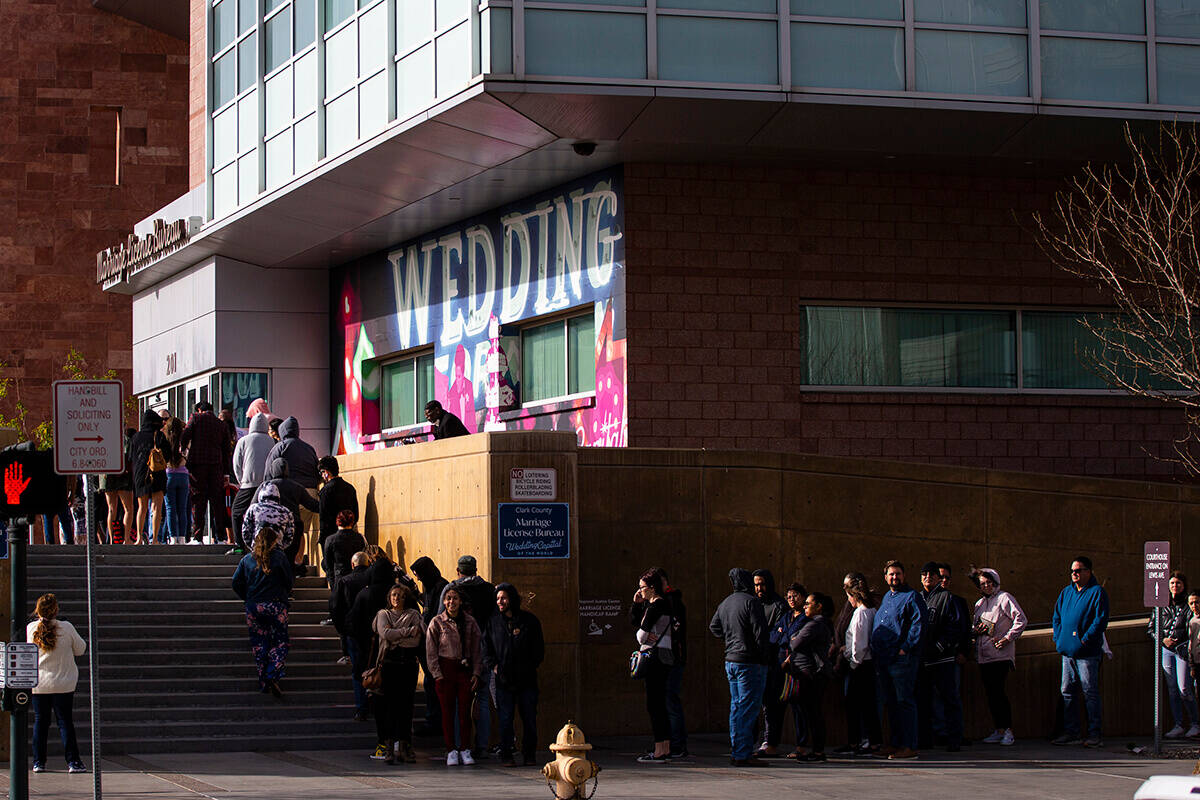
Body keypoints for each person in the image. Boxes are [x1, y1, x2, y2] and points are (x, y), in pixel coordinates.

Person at [709, 568, 769, 767]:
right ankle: (743, 753)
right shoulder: (752, 602)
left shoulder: (725, 603)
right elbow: (761, 634)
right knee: (747, 708)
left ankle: (737, 750)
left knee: (736, 707)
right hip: (750, 661)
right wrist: (763, 657)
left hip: (731, 660)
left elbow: (714, 627)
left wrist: (730, 639)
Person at [482, 582, 545, 767]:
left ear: (512, 599)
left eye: (503, 598)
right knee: (505, 719)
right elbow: (486, 649)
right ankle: (507, 754)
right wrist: (494, 667)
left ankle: (529, 753)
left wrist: (529, 666)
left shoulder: (529, 621)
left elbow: (538, 649)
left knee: (529, 719)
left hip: (526, 680)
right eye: (498, 599)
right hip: (503, 680)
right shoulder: (493, 623)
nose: (500, 602)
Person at [629, 567, 689, 759]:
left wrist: (645, 635)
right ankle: (664, 747)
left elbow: (641, 635)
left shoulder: (656, 606)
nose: (640, 591)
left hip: (654, 659)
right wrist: (637, 605)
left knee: (655, 705)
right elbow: (639, 625)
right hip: (663, 657)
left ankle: (660, 749)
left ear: (652, 587)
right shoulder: (660, 605)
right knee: (659, 704)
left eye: (642, 587)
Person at [1051, 555, 1110, 747]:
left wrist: (1085, 639)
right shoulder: (1066, 593)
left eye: (1078, 570)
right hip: (1067, 651)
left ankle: (1094, 734)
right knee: (1067, 691)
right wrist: (1059, 639)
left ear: (1088, 571)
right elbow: (1057, 617)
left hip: (1087, 653)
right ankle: (1072, 732)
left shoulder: (1097, 592)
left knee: (1089, 692)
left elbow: (1100, 620)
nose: (1074, 574)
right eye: (1072, 571)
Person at [441, 554, 496, 756]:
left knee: (457, 701)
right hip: (483, 650)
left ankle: (458, 745)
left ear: (458, 570)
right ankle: (482, 745)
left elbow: (441, 618)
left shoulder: (452, 590)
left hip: (458, 653)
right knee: (482, 699)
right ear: (476, 570)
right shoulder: (490, 589)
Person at [870, 560, 925, 760]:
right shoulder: (887, 597)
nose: (895, 577)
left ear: (904, 575)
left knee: (904, 702)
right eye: (891, 574)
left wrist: (905, 649)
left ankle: (909, 746)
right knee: (890, 703)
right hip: (883, 659)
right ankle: (894, 743)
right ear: (885, 577)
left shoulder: (912, 597)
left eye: (898, 574)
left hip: (901, 659)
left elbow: (918, 626)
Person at [28, 593, 87, 774]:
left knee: (41, 722)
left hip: (40, 684)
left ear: (37, 610)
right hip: (64, 683)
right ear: (56, 609)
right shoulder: (66, 627)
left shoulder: (31, 628)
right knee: (65, 722)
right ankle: (73, 762)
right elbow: (80, 649)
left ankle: (39, 762)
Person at [969, 567, 1027, 746]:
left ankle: (1008, 729)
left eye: (989, 583)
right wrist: (975, 631)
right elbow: (975, 626)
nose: (986, 586)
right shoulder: (979, 603)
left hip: (1000, 655)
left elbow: (1021, 619)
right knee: (991, 694)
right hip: (984, 655)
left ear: (995, 582)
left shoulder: (1004, 598)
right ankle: (999, 729)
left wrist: (1007, 638)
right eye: (982, 584)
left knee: (999, 692)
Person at [232, 527, 293, 697]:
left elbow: (236, 582)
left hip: (254, 606)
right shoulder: (280, 557)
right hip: (275, 604)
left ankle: (263, 680)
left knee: (259, 644)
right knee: (281, 641)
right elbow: (289, 580)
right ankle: (273, 672)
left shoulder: (247, 559)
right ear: (274, 541)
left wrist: (247, 597)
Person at [426, 586, 483, 766]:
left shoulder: (470, 622)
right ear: (444, 601)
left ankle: (465, 748)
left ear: (460, 601)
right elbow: (431, 650)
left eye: (455, 598)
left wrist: (476, 672)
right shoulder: (437, 622)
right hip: (445, 669)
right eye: (449, 599)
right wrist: (437, 674)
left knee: (465, 711)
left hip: (464, 669)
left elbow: (477, 648)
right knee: (447, 712)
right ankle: (451, 749)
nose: (452, 602)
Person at [371, 585, 425, 765]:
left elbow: (416, 639)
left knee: (406, 706)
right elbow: (385, 633)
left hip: (408, 665)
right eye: (394, 595)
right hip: (389, 665)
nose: (397, 598)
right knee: (389, 706)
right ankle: (388, 746)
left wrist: (396, 636)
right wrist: (407, 632)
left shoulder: (413, 615)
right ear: (389, 597)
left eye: (401, 596)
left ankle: (404, 746)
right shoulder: (383, 614)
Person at [917, 561, 965, 752]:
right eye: (924, 574)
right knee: (923, 701)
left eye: (932, 574)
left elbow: (956, 627)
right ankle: (925, 739)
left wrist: (940, 646)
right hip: (923, 660)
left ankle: (955, 739)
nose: (928, 577)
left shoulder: (948, 598)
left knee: (950, 699)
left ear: (938, 578)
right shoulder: (917, 598)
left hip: (943, 659)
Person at [784, 592, 833, 762]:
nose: (804, 606)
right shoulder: (818, 624)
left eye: (808, 603)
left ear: (818, 606)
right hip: (814, 673)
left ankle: (818, 751)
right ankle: (817, 750)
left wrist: (793, 637)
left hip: (813, 673)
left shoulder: (815, 625)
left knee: (813, 712)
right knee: (812, 712)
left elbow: (794, 643)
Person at [1150, 571, 1200, 739]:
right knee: (1172, 689)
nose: (1174, 586)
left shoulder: (1188, 605)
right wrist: (1162, 639)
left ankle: (1195, 723)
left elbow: (1191, 629)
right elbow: (1151, 628)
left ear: (1184, 585)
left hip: (1182, 650)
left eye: (1178, 583)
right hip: (1166, 650)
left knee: (1184, 688)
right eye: (1172, 583)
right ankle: (1178, 724)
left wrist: (1181, 643)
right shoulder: (1162, 604)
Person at [266, 416, 320, 565]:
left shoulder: (279, 447)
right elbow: (317, 470)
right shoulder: (309, 448)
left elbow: (269, 472)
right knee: (301, 530)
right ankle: (299, 559)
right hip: (310, 492)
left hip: (288, 493)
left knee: (286, 529)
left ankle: (286, 561)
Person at [181, 401, 233, 544]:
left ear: (199, 409)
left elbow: (185, 434)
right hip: (216, 466)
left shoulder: (196, 418)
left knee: (198, 501)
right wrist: (226, 473)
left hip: (198, 466)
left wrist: (183, 449)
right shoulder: (221, 424)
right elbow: (226, 449)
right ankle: (220, 537)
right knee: (217, 502)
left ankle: (198, 537)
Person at [256, 458, 319, 571]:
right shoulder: (296, 486)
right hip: (293, 528)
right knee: (289, 559)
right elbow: (312, 505)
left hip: (269, 529)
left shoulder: (265, 486)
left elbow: (253, 505)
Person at [842, 576, 881, 755]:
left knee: (858, 706)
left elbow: (859, 643)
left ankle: (862, 742)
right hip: (867, 664)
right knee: (868, 705)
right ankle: (869, 741)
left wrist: (852, 660)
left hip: (860, 665)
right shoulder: (871, 611)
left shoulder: (861, 613)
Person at [411, 555, 449, 736]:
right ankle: (433, 719)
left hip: (435, 643)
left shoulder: (441, 587)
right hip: (426, 641)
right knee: (429, 683)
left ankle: (435, 720)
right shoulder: (429, 586)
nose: (418, 578)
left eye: (419, 574)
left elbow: (436, 613)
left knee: (433, 683)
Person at [770, 582, 809, 759]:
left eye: (795, 596)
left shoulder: (806, 618)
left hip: (796, 668)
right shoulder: (786, 617)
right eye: (789, 596)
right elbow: (776, 637)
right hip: (780, 666)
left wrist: (789, 653)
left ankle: (801, 745)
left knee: (799, 707)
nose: (792, 599)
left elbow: (797, 641)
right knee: (776, 706)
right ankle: (772, 743)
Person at [752, 569, 787, 757]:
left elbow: (777, 634)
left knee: (771, 705)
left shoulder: (778, 605)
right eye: (756, 584)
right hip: (756, 660)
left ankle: (770, 741)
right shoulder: (753, 603)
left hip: (773, 661)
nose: (759, 588)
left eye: (762, 584)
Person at [231, 410, 275, 554]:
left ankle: (239, 544)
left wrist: (241, 481)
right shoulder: (271, 440)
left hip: (248, 484)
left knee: (237, 512)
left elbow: (236, 463)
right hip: (266, 485)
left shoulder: (244, 440)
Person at [127, 409, 168, 545]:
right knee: (156, 507)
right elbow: (167, 456)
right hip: (157, 474)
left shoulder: (136, 437)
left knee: (142, 507)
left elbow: (130, 457)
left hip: (140, 474)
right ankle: (155, 539)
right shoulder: (160, 436)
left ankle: (139, 538)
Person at [100, 427, 136, 544]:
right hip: (123, 475)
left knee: (111, 509)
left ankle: (111, 539)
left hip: (108, 475)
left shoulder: (103, 440)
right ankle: (126, 538)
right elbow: (130, 456)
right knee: (128, 509)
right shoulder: (126, 440)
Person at [317, 455, 358, 554]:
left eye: (321, 473)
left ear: (326, 472)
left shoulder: (325, 491)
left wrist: (322, 538)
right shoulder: (350, 488)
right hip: (349, 536)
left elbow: (323, 518)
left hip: (330, 537)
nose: (322, 476)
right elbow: (356, 514)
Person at [241, 483, 296, 555]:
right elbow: (289, 536)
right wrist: (280, 547)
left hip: (258, 549)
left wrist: (253, 546)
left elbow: (245, 531)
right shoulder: (286, 511)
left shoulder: (253, 508)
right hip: (278, 551)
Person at [161, 416, 190, 545]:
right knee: (182, 508)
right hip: (183, 474)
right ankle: (182, 537)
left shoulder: (165, 440)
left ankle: (173, 538)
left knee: (170, 508)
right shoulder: (184, 440)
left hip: (169, 474)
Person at [322, 510, 366, 592]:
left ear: (337, 522)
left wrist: (332, 584)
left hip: (339, 577)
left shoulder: (330, 539)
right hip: (356, 579)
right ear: (352, 522)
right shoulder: (359, 538)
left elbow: (328, 564)